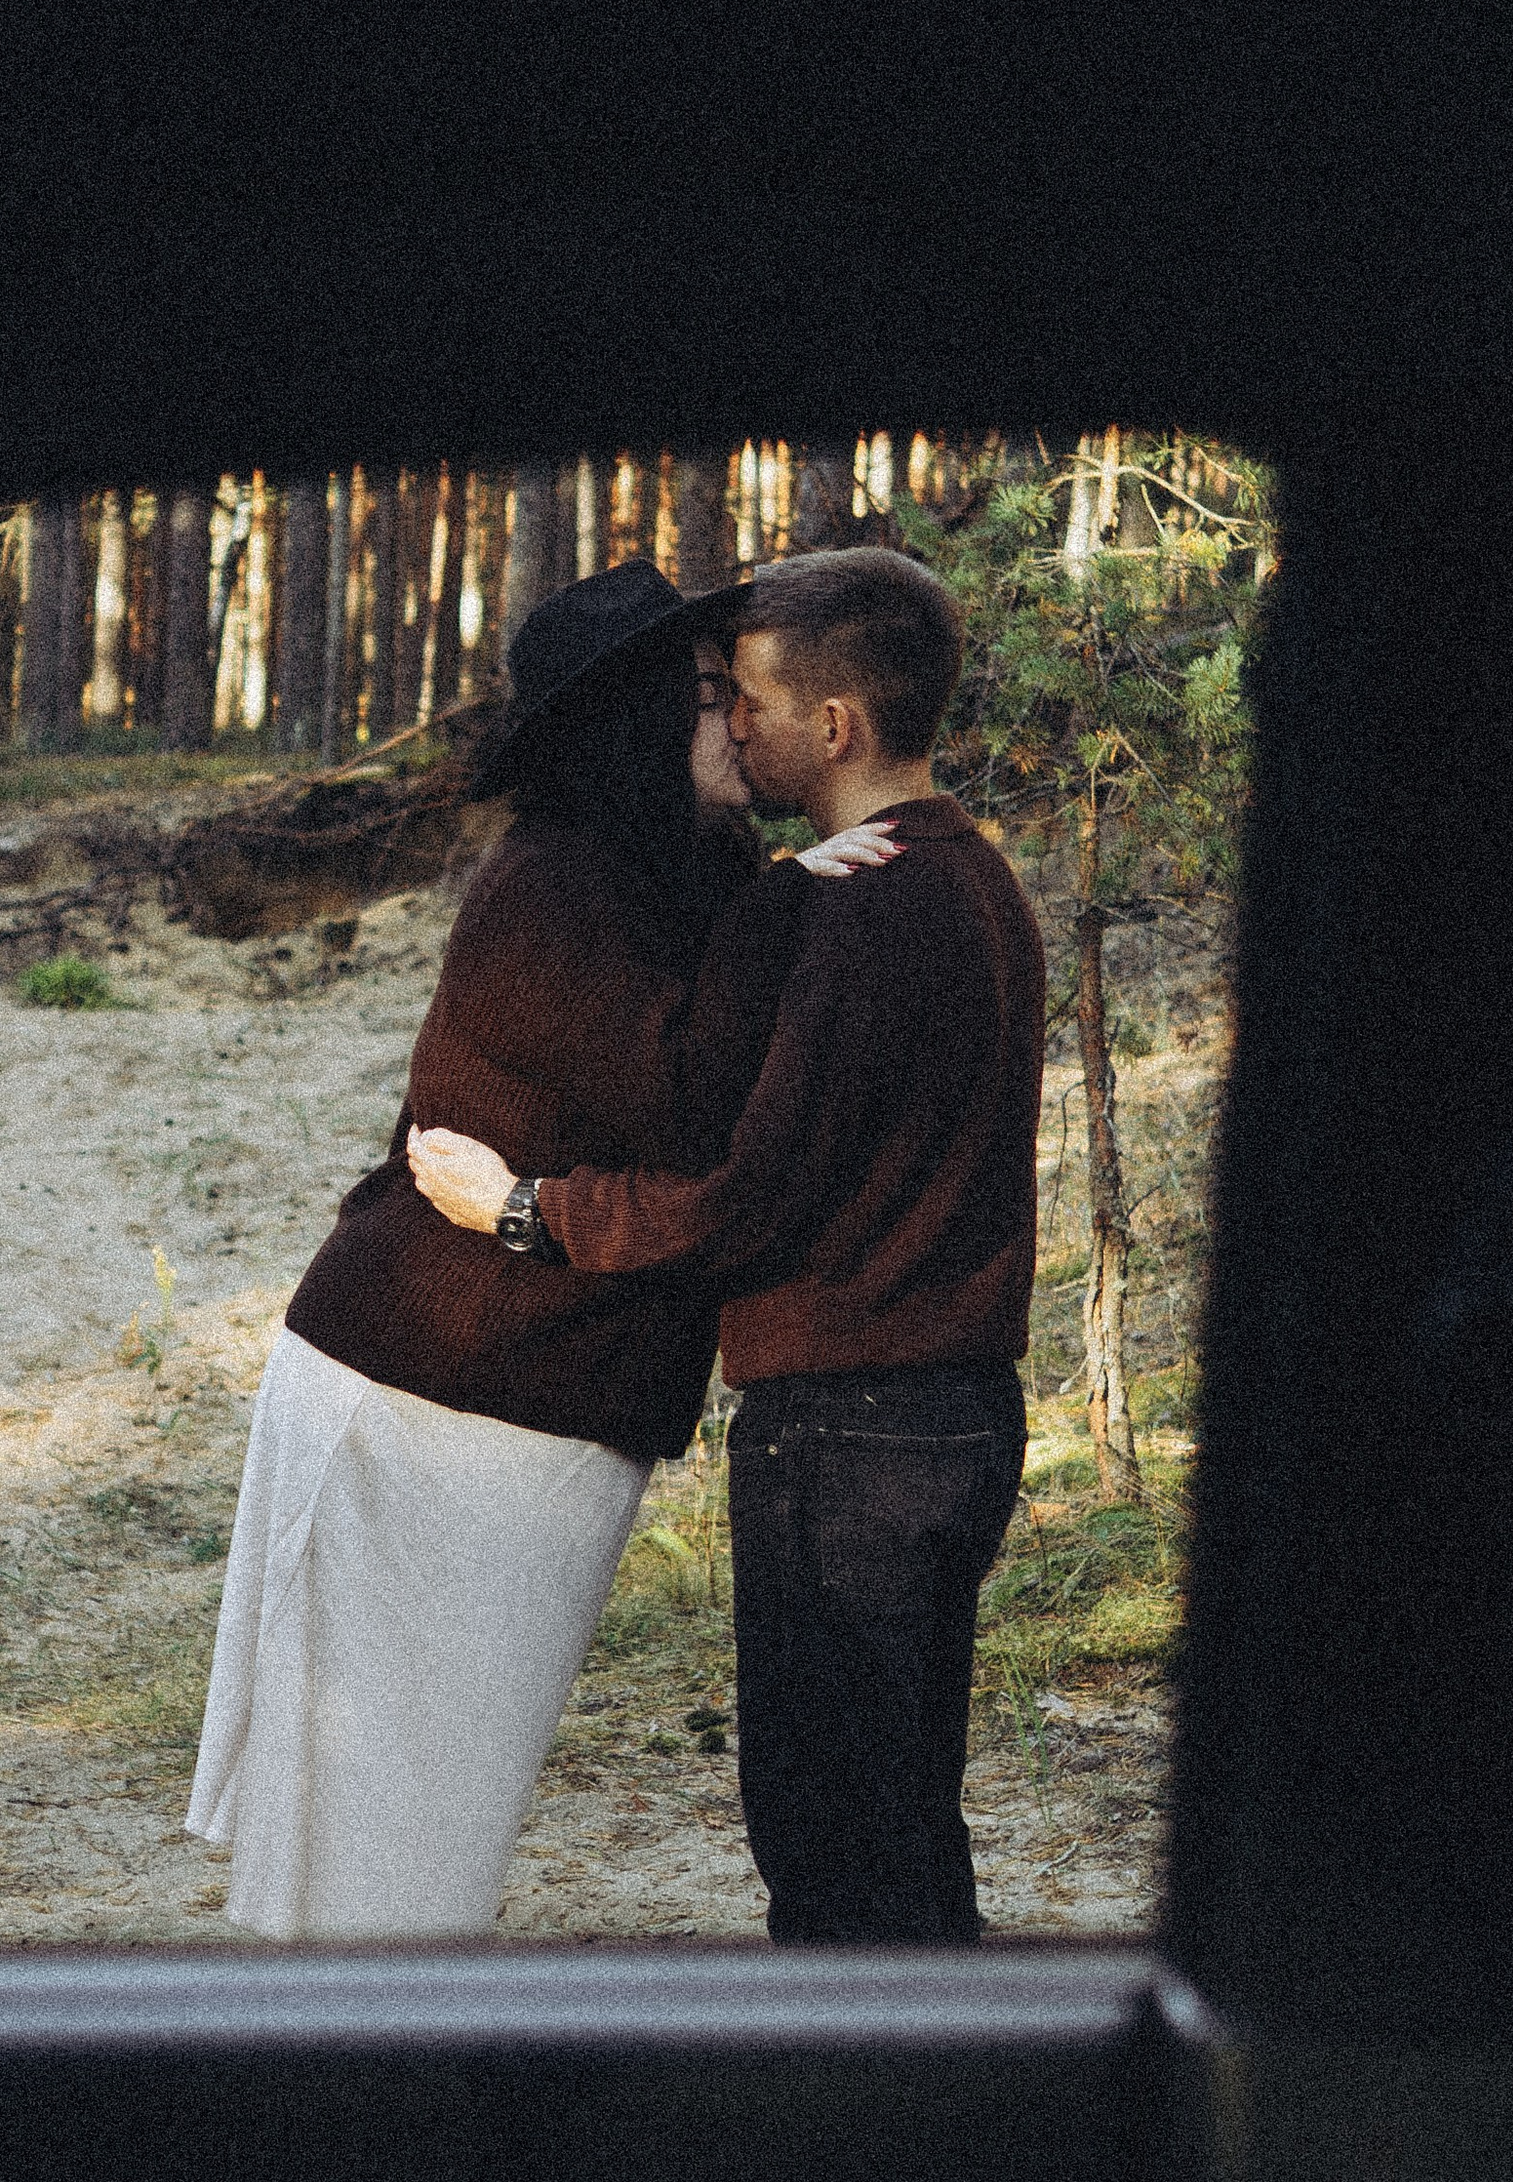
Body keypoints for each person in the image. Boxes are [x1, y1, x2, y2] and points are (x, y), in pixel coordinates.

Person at [185, 555, 885, 1937]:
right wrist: (799, 903)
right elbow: (688, 1105)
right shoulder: (547, 889)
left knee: (438, 1811)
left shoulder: (690, 874)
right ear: (636, 723)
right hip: (424, 1399)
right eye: (710, 695)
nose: (741, 720)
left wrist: (786, 897)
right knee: (388, 1830)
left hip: (536, 1398)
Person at [411, 545, 1045, 1944]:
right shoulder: (968, 880)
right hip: (954, 1418)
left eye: (748, 700)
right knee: (900, 1824)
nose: (735, 726)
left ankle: (875, 2081)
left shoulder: (858, 908)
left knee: (833, 1847)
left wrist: (524, 1211)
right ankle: (944, 2065)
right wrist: (783, 889)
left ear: (837, 726)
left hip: (848, 1437)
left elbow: (748, 1201)